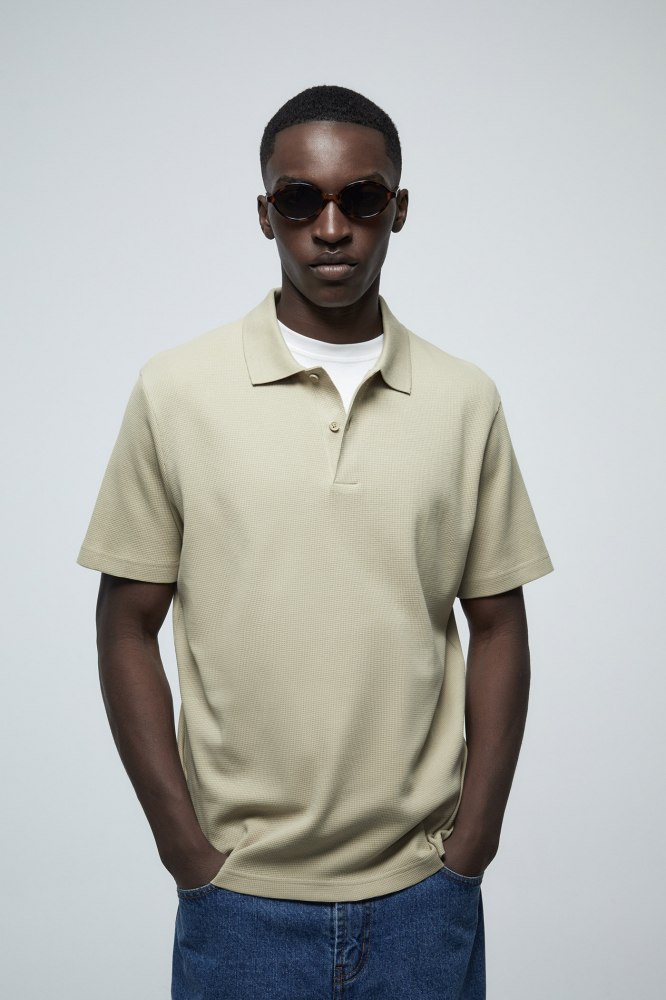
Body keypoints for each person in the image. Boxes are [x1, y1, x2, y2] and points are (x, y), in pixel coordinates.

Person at [77, 84, 553, 999]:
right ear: (266, 214)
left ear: (397, 209)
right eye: (301, 201)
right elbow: (125, 627)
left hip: (424, 899)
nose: (331, 229)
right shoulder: (177, 392)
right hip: (238, 903)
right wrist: (185, 851)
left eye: (360, 199)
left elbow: (499, 625)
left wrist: (474, 845)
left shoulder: (465, 401)